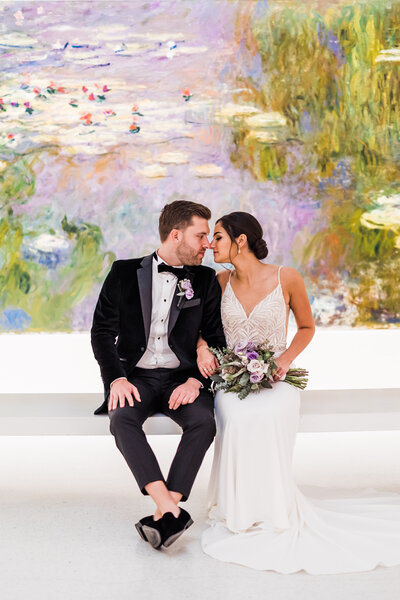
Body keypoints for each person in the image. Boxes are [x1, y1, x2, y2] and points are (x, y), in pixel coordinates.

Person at [197, 211, 400, 574]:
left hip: (278, 375)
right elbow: (201, 328)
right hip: (232, 377)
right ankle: (238, 510)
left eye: (218, 237)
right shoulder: (219, 281)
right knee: (236, 415)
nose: (211, 245)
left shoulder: (286, 277)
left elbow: (306, 327)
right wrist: (201, 348)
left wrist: (285, 360)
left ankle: (275, 508)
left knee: (272, 413)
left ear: (240, 240)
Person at [91, 200, 225, 550]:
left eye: (209, 236)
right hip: (135, 377)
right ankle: (169, 507)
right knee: (121, 418)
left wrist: (196, 380)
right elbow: (102, 332)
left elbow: (216, 338)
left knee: (204, 422)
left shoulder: (206, 280)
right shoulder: (123, 272)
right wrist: (115, 379)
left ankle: (166, 513)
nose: (207, 244)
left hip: (182, 378)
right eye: (201, 235)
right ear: (176, 234)